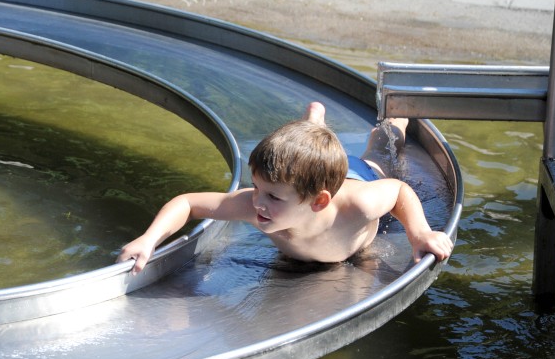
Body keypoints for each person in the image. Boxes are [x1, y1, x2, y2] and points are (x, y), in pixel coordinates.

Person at [116, 102, 453, 274]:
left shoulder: (359, 203)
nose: (257, 202)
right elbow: (188, 203)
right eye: (257, 188)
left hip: (357, 174)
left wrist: (419, 233)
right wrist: (149, 239)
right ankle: (313, 125)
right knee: (306, 151)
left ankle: (397, 119)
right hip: (308, 179)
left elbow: (397, 191)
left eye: (272, 196)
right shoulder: (257, 203)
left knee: (382, 149)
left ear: (319, 202)